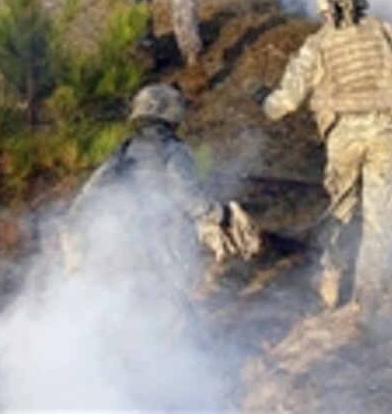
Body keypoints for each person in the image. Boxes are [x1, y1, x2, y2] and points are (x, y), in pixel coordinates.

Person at [261, 0, 392, 313]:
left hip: (343, 137)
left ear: (329, 9)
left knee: (340, 210)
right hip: (387, 134)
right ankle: (367, 298)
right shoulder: (385, 31)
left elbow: (290, 100)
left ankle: (331, 280)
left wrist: (265, 106)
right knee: (380, 219)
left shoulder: (317, 45)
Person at [62, 84, 260, 289]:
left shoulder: (125, 148)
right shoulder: (174, 151)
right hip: (162, 239)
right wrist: (223, 215)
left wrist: (75, 226)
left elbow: (93, 189)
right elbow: (187, 196)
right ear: (171, 114)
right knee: (171, 302)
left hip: (122, 235)